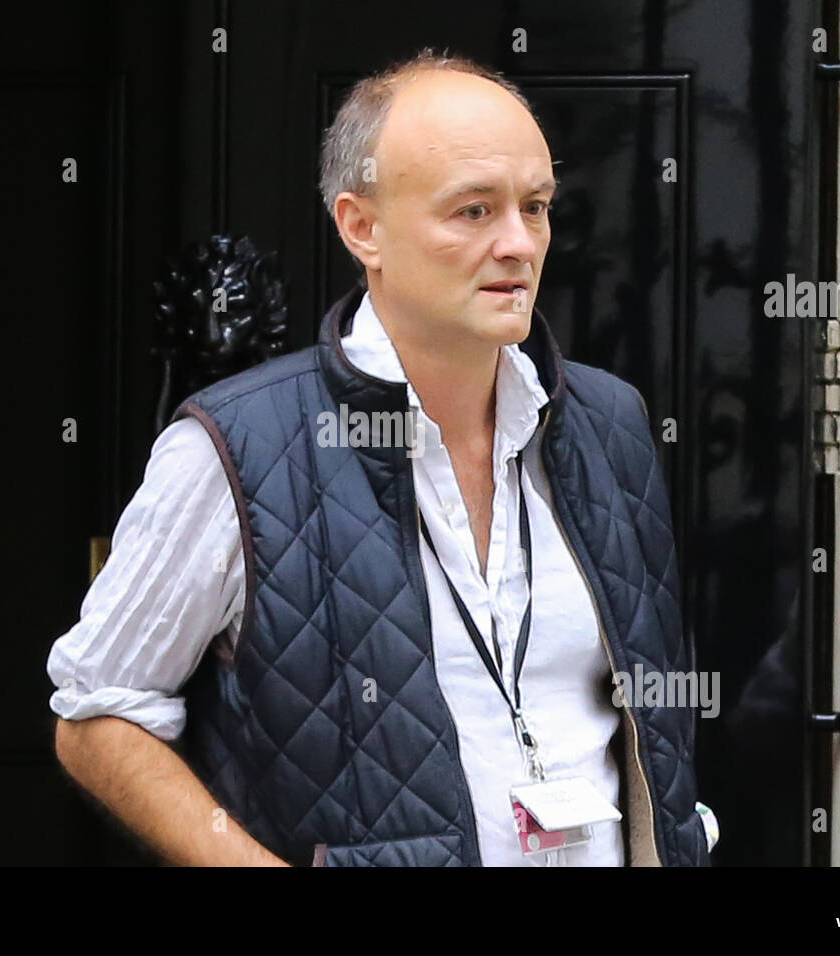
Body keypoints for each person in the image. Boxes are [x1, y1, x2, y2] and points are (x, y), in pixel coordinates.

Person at [47, 48, 715, 867]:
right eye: (474, 211)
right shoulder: (237, 447)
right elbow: (97, 711)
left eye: (535, 207)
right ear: (362, 227)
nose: (518, 244)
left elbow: (647, 720)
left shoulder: (610, 422)